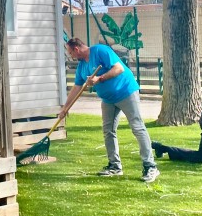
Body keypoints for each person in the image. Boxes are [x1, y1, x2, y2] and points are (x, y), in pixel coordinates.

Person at [61, 38, 160, 182]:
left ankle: (150, 166)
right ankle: (115, 166)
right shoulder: (82, 67)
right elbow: (76, 87)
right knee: (108, 131)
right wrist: (65, 108)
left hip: (126, 92)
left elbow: (118, 68)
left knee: (137, 127)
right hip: (108, 100)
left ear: (76, 49)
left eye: (70, 53)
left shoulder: (100, 50)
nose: (71, 56)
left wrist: (99, 79)